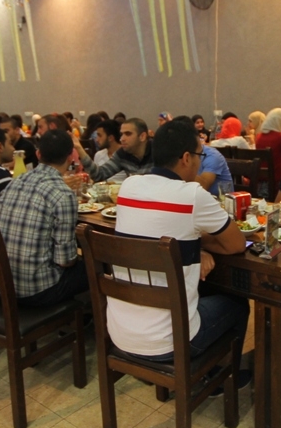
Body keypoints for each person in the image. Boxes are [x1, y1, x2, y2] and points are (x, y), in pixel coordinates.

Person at [109, 119, 250, 383]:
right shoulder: (192, 195)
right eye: (199, 156)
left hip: (120, 333)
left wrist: (192, 240)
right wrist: (197, 239)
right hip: (170, 341)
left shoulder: (128, 187)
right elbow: (236, 244)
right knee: (237, 304)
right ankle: (220, 379)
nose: (199, 162)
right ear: (186, 158)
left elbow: (154, 232)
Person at [0, 131, 88, 307]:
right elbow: (65, 261)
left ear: (38, 154)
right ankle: (92, 316)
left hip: (2, 283)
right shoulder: (62, 194)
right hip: (38, 290)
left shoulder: (14, 182)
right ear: (70, 157)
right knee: (96, 266)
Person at [75, 117, 154, 182]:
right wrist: (79, 148)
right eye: (121, 134)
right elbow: (99, 175)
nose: (122, 139)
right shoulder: (122, 153)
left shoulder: (157, 151)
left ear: (142, 136)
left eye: (128, 134)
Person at [172, 116, 232, 195]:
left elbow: (202, 186)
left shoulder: (212, 156)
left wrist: (174, 169)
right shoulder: (178, 154)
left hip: (219, 200)